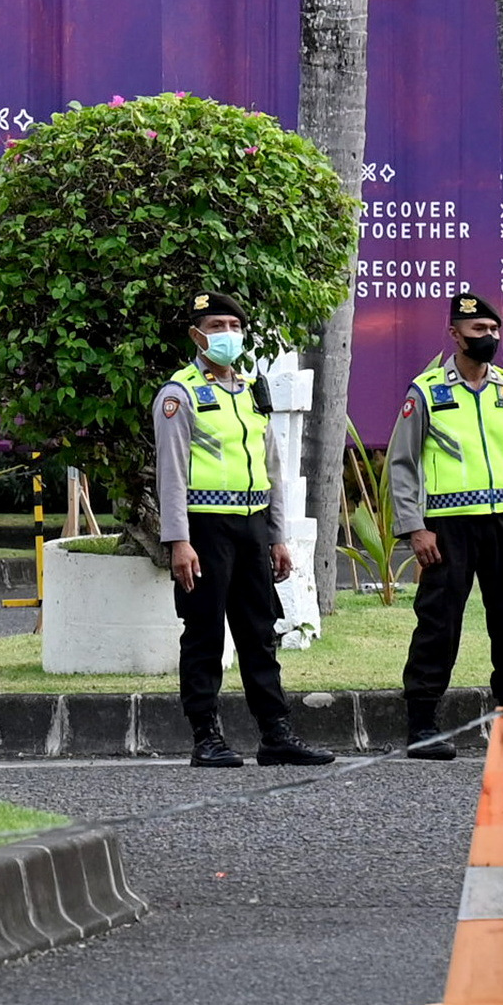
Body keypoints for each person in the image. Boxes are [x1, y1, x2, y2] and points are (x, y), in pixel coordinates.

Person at [155, 294, 333, 768]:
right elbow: (170, 474)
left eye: (235, 324)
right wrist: (178, 541)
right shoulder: (180, 394)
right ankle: (206, 737)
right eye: (217, 324)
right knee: (205, 635)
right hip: (204, 529)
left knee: (260, 635)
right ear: (197, 335)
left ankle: (276, 735)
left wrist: (277, 536)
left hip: (252, 528)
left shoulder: (252, 390)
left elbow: (271, 466)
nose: (228, 333)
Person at [388, 289, 503, 759]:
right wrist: (413, 528)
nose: (489, 337)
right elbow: (402, 463)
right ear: (454, 334)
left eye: (493, 330)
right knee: (438, 625)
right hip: (447, 528)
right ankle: (422, 726)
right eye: (478, 330)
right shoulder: (426, 391)